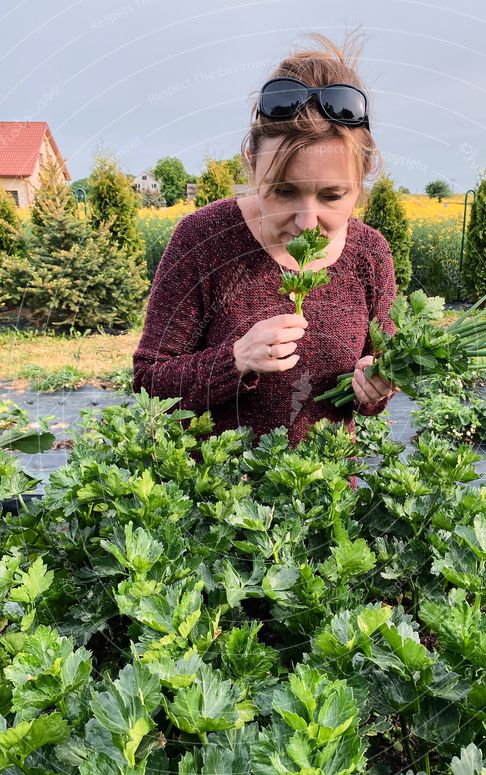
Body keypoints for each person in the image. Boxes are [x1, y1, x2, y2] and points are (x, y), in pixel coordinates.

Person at [132, 31, 399, 473]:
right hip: (215, 501)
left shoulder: (370, 254)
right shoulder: (203, 241)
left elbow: (379, 375)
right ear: (252, 162)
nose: (307, 221)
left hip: (324, 499)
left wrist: (375, 387)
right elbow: (148, 379)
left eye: (333, 196)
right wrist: (234, 360)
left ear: (362, 179)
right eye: (283, 191)